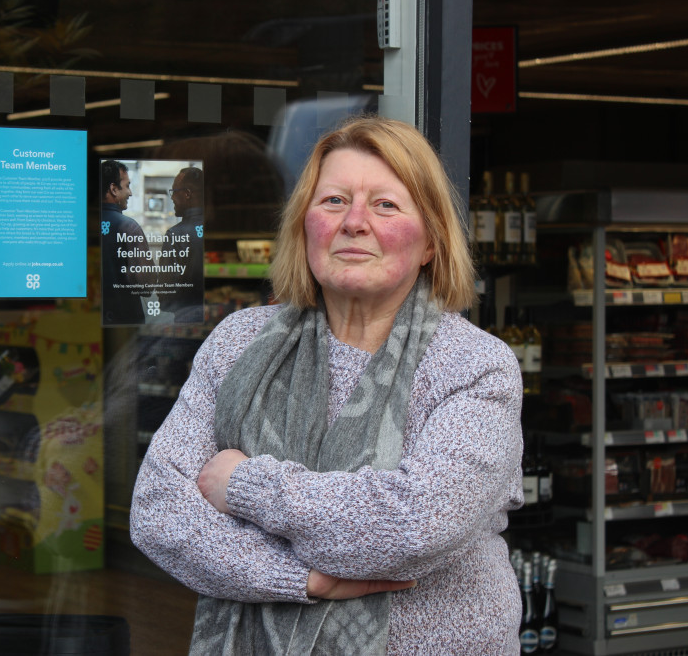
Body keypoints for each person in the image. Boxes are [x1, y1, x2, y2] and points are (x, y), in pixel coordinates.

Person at [130, 115, 524, 654]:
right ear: (305, 226)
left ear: (431, 241)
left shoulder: (476, 365)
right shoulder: (239, 343)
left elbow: (415, 525)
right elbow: (158, 509)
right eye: (334, 201)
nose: (354, 222)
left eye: (385, 205)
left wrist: (244, 485)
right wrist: (304, 581)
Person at [100, 159, 154, 325]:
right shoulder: (128, 227)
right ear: (114, 189)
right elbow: (146, 284)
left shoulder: (78, 224)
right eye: (127, 186)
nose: (130, 193)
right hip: (125, 321)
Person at [159, 166, 205, 323]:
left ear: (187, 194)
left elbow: (165, 292)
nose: (172, 198)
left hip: (187, 320)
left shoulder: (175, 234)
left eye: (174, 191)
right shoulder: (217, 229)